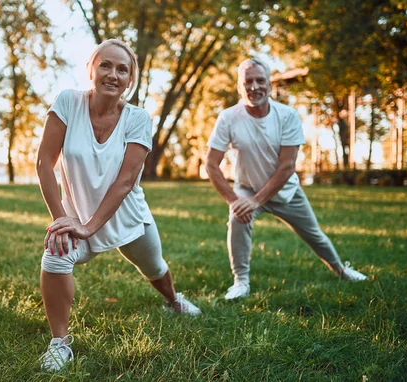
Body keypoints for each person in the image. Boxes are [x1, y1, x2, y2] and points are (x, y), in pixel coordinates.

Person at [36, 39, 201, 372]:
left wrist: (89, 227)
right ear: (91, 70)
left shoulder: (138, 119)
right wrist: (62, 221)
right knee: (54, 255)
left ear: (130, 80)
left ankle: (173, 300)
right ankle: (60, 343)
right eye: (105, 65)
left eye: (122, 69)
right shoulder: (68, 102)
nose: (112, 74)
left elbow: (125, 182)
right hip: (75, 216)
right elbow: (43, 162)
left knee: (154, 267)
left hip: (127, 216)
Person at [205, 57, 368, 300]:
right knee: (237, 219)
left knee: (314, 234)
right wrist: (234, 200)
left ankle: (341, 269)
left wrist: (257, 201)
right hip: (246, 189)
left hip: (285, 191)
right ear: (240, 86)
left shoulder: (287, 115)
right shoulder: (228, 117)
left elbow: (287, 166)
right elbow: (210, 164)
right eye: (247, 81)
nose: (254, 87)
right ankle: (241, 282)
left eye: (260, 81)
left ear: (270, 85)